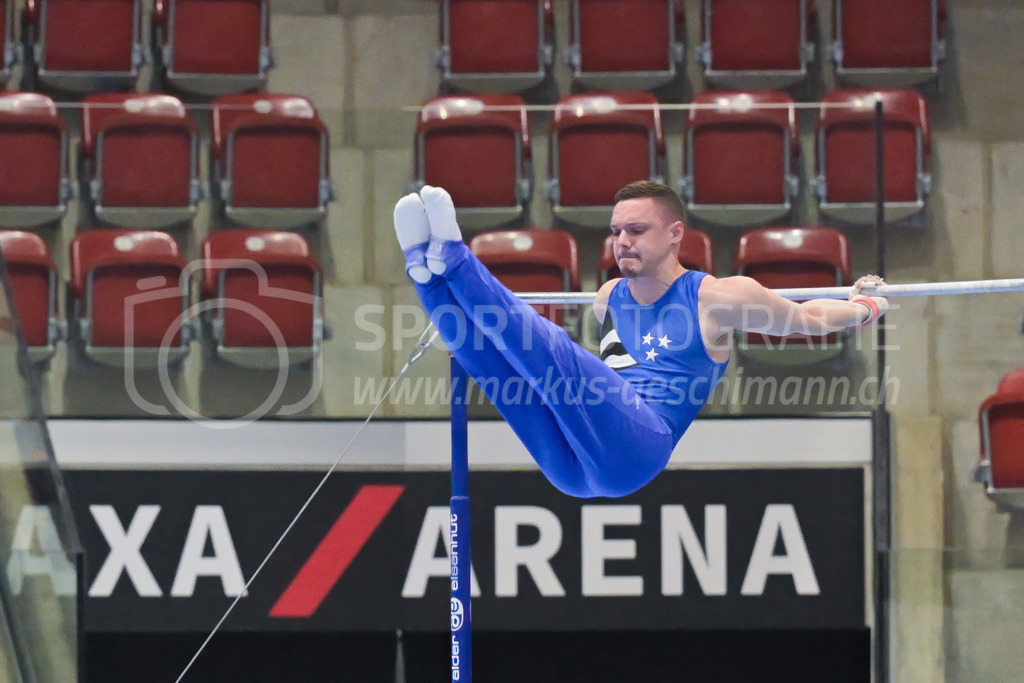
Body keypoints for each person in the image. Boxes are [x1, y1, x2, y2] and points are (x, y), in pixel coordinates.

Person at [394, 182, 887, 498]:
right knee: (498, 371)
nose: (622, 240)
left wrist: (862, 307)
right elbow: (596, 387)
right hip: (576, 466)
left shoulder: (717, 298)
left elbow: (807, 319)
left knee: (550, 353)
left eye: (636, 229)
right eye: (615, 231)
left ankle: (455, 259)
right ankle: (426, 269)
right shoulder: (608, 297)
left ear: (675, 233)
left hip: (640, 449)